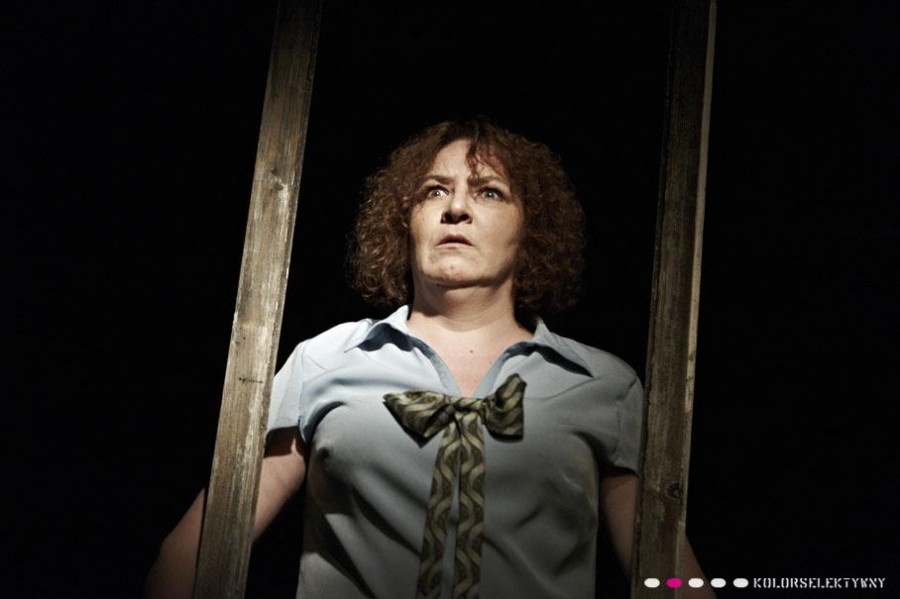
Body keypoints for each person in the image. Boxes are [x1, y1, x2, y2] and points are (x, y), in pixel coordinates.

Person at [145, 117, 714, 598]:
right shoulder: (324, 361)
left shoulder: (602, 385)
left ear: (530, 230)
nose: (457, 208)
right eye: (434, 191)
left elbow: (669, 579)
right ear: (405, 220)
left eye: (489, 192)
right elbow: (194, 554)